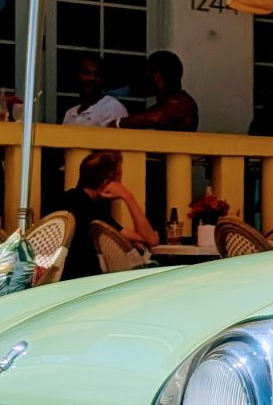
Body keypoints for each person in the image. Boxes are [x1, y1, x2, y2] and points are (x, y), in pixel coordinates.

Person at [59, 151, 159, 282]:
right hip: (87, 281)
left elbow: (120, 232)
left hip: (58, 279)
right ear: (107, 183)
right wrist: (128, 196)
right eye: (119, 179)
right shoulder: (92, 211)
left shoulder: (67, 200)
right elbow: (151, 240)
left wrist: (136, 237)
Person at [118, 51, 199, 132]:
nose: (144, 79)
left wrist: (118, 123)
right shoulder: (166, 104)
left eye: (147, 73)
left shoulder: (180, 104)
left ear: (156, 75)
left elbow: (155, 119)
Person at [62, 54, 127, 129]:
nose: (92, 78)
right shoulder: (70, 113)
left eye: (97, 74)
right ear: (77, 76)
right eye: (86, 73)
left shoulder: (111, 107)